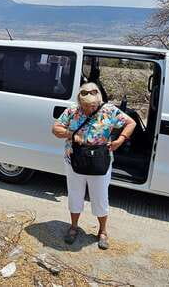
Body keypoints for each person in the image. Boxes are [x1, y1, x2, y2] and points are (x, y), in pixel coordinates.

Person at [52, 82, 136, 250]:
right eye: (85, 106)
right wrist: (71, 134)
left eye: (93, 106)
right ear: (80, 102)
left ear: (99, 101)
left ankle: (103, 231)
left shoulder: (109, 110)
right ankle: (74, 227)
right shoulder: (73, 110)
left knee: (100, 197)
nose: (89, 109)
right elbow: (55, 129)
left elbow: (131, 123)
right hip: (75, 160)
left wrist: (120, 140)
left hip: (100, 161)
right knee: (75, 194)